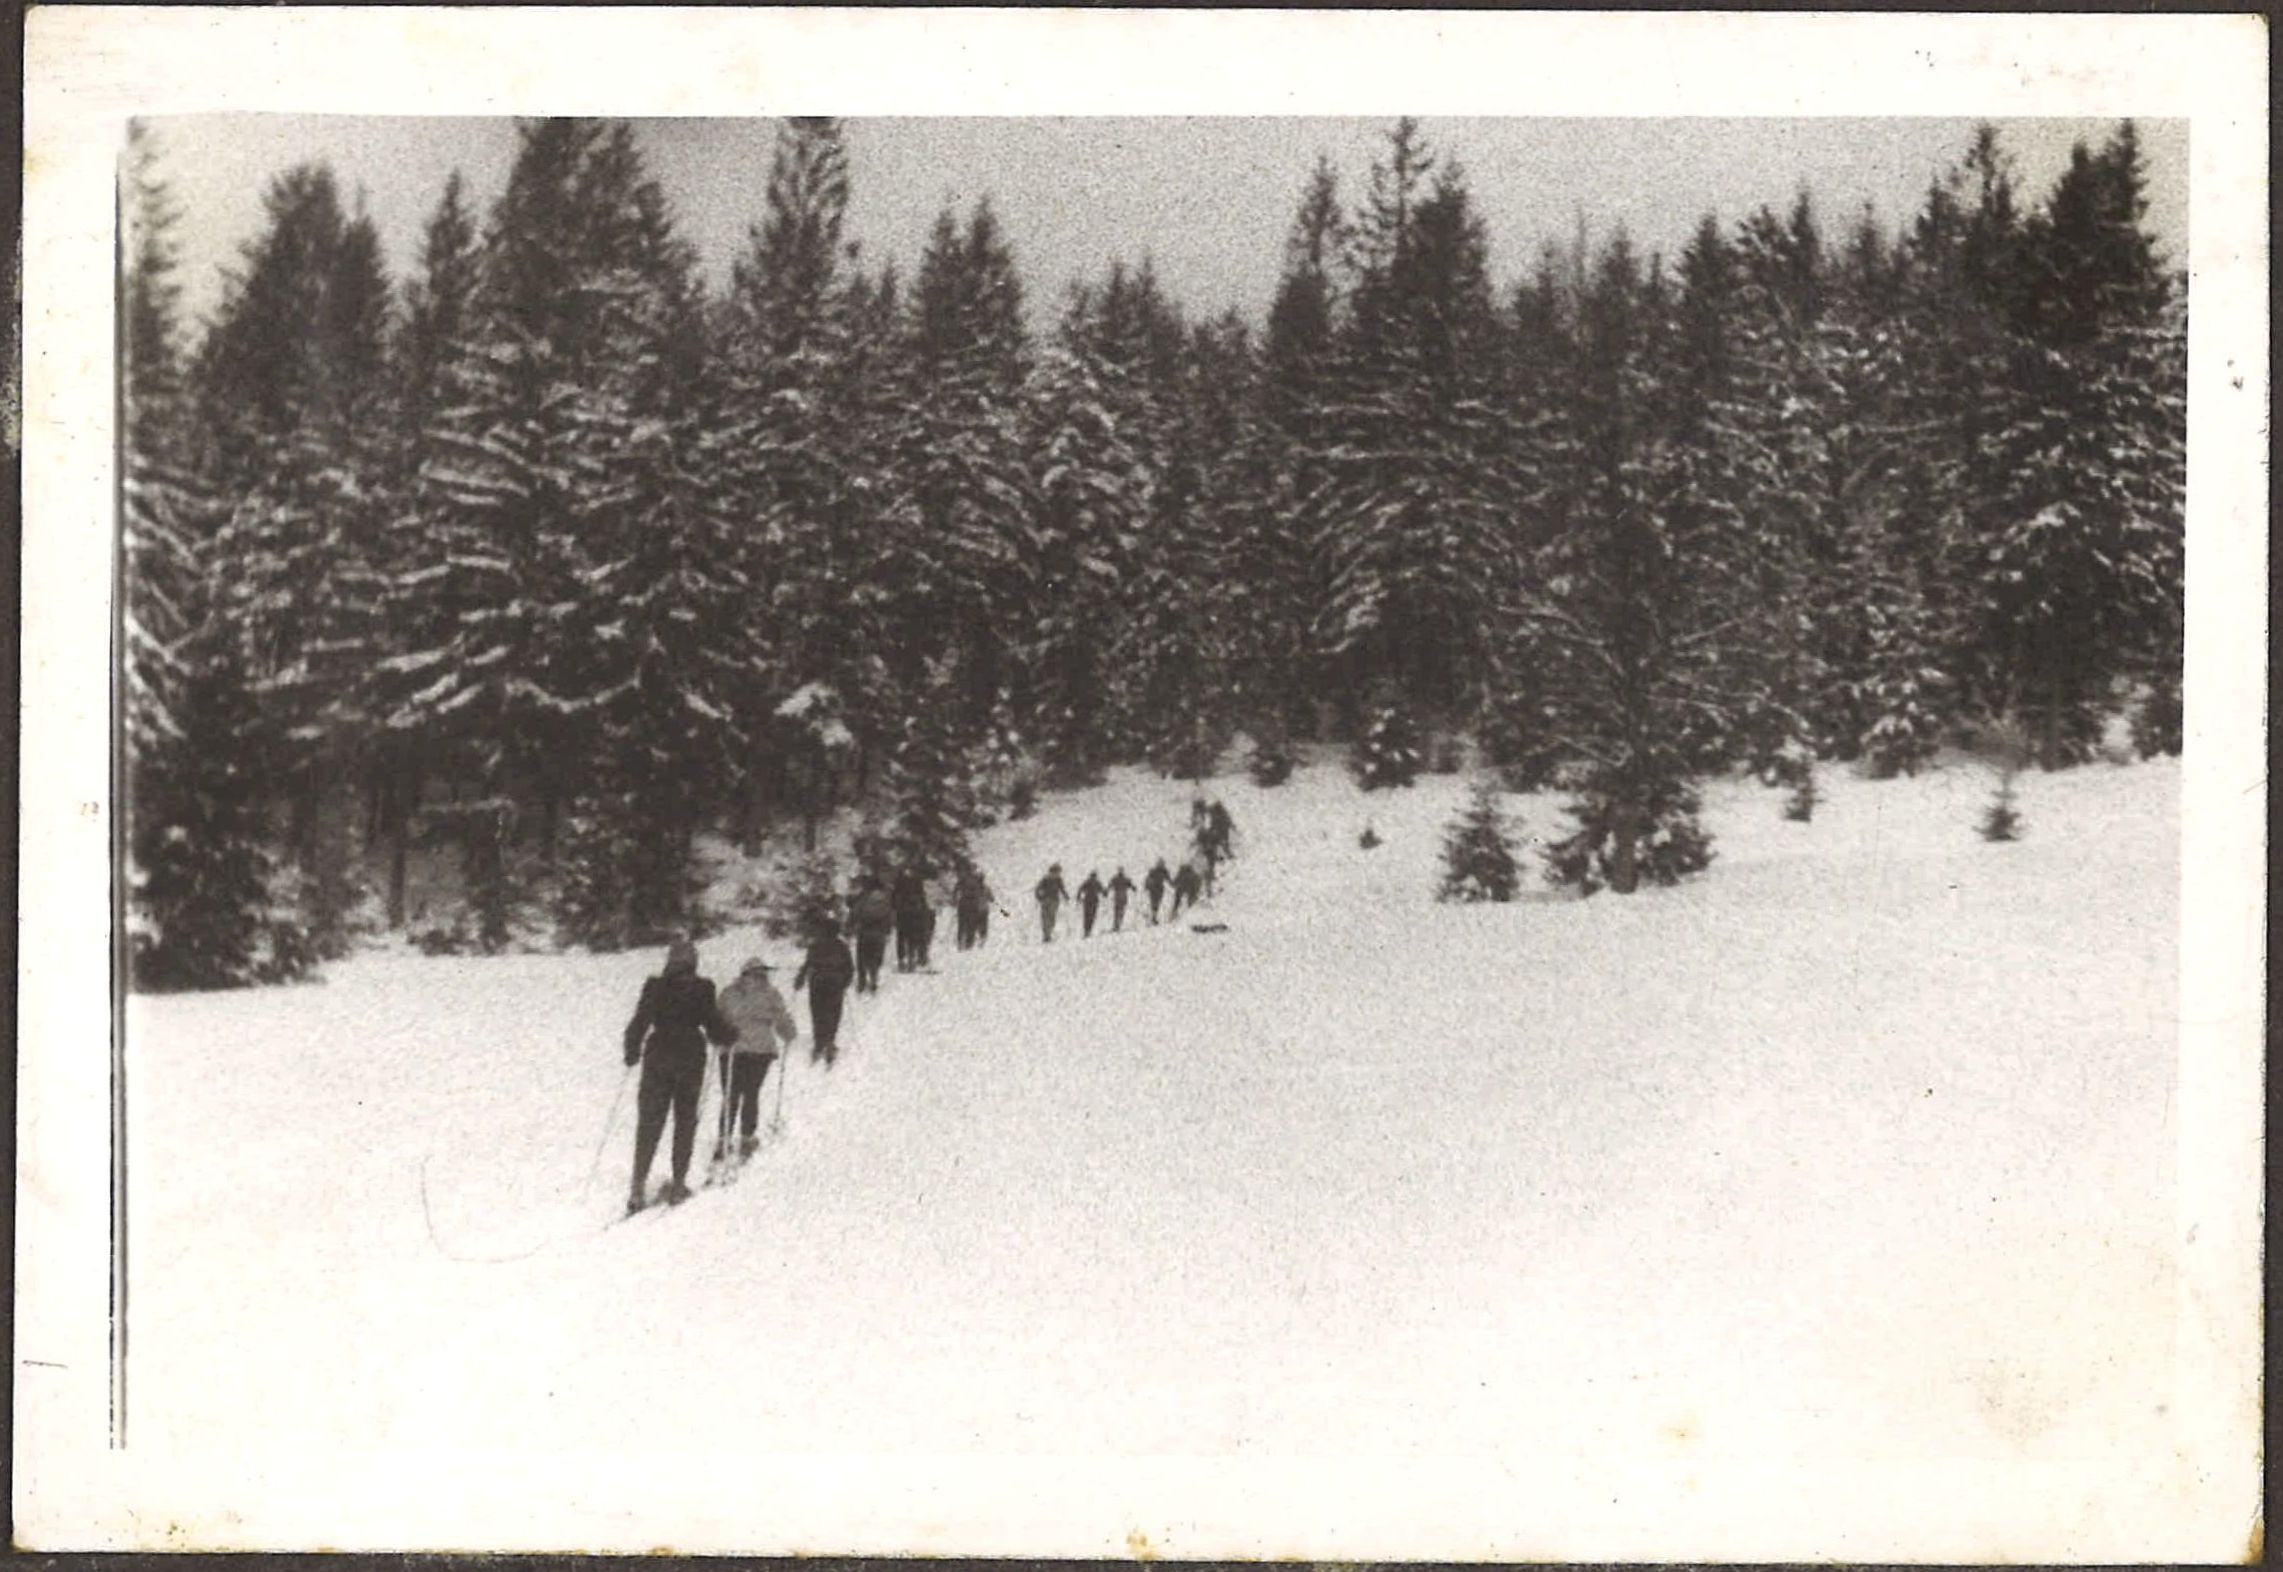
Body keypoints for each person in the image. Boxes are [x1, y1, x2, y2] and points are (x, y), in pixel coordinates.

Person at [622, 935, 738, 1213]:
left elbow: (640, 1020)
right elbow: (712, 1023)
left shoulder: (655, 987)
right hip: (689, 1057)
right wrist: (728, 1035)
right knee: (684, 1121)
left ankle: (637, 1186)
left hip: (658, 1054)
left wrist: (632, 1049)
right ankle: (678, 1184)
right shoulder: (702, 988)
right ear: (693, 963)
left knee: (650, 1121)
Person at [715, 954, 796, 1160]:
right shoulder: (769, 993)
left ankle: (723, 1140)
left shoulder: (729, 993)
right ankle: (747, 1138)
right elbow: (781, 1018)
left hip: (731, 1050)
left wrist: (719, 1038)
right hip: (760, 1051)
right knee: (751, 1093)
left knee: (730, 1095)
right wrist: (788, 1034)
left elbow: (717, 1017)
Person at [792, 917, 856, 1067]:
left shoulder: (816, 945)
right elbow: (849, 967)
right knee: (834, 1012)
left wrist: (800, 980)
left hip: (817, 982)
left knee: (817, 1011)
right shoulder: (842, 946)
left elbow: (808, 964)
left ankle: (818, 1042)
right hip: (835, 983)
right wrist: (845, 982)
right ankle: (830, 1042)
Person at [851, 876, 894, 994]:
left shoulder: (863, 898)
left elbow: (855, 913)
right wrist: (888, 930)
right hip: (879, 933)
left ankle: (862, 981)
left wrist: (851, 926)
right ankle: (874, 978)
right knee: (875, 956)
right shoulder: (885, 899)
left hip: (864, 932)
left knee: (862, 956)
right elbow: (889, 915)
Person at [891, 865, 929, 973]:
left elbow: (893, 898)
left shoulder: (899, 882)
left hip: (902, 913)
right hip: (914, 913)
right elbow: (922, 897)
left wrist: (894, 910)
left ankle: (902, 960)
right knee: (912, 936)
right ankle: (912, 959)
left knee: (902, 937)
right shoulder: (917, 882)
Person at [1035, 863, 1069, 944]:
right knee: (1045, 918)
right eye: (1056, 872)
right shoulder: (1046, 879)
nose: (1057, 874)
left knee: (1051, 918)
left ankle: (1048, 934)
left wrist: (1066, 896)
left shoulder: (1058, 880)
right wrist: (1039, 898)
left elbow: (1062, 889)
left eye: (1058, 873)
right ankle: (1046, 935)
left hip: (1054, 901)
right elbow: (1038, 889)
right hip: (1046, 900)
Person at [1076, 870, 1106, 938]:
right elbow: (1103, 891)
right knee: (1091, 916)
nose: (1093, 878)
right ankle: (1088, 930)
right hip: (1092, 901)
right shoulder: (1096, 882)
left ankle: (1087, 931)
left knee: (1088, 916)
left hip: (1088, 901)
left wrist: (1078, 898)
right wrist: (1105, 893)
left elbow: (1080, 889)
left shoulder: (1088, 882)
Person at [1107, 866, 1136, 931]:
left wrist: (1106, 892)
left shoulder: (1115, 879)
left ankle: (1116, 925)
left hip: (1117, 897)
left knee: (1117, 911)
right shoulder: (1126, 879)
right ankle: (1118, 925)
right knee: (1121, 911)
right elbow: (1132, 886)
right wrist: (1134, 888)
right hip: (1123, 897)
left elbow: (1110, 886)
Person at [1144, 858, 1171, 924]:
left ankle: (1153, 917)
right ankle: (1153, 917)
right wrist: (1147, 886)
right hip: (1154, 889)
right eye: (1160, 864)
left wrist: (1173, 884)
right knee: (1154, 903)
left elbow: (1168, 879)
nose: (1161, 865)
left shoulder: (1164, 871)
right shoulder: (1154, 871)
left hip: (1159, 889)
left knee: (1157, 903)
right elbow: (1148, 879)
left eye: (1162, 864)